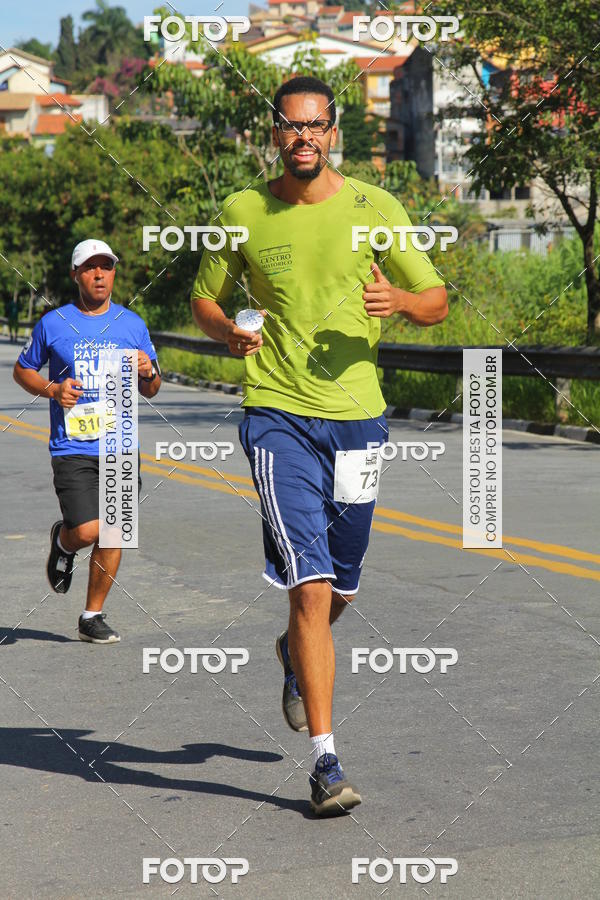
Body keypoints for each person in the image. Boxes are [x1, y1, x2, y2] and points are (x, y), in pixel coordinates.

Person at [190, 76, 448, 816]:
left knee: (342, 589)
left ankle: (293, 657)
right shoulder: (242, 212)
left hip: (359, 420)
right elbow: (204, 299)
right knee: (309, 581)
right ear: (273, 133)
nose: (303, 137)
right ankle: (327, 764)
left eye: (316, 126)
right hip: (277, 416)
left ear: (335, 131)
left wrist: (398, 300)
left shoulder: (378, 207)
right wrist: (225, 332)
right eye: (290, 127)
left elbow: (434, 300)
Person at [13, 239, 161, 644]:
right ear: (76, 274)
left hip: (121, 446)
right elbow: (22, 370)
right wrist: (52, 389)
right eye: (90, 268)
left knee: (115, 533)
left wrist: (147, 371)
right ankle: (64, 540)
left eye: (106, 267)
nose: (99, 275)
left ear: (114, 273)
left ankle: (91, 615)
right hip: (73, 446)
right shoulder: (54, 323)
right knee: (89, 529)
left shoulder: (133, 324)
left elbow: (152, 388)